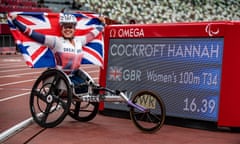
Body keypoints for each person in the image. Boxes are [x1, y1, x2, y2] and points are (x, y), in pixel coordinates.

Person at [11, 13, 105, 91]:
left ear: (74, 29)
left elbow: (93, 34)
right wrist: (16, 22)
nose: (68, 29)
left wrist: (102, 24)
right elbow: (34, 35)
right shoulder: (56, 41)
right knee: (77, 89)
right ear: (61, 28)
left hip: (74, 75)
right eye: (65, 27)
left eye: (70, 27)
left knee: (91, 89)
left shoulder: (80, 40)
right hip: (58, 77)